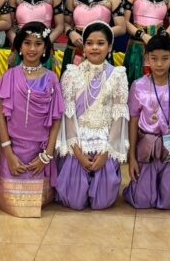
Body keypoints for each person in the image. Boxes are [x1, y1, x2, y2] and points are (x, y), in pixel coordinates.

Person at [55, 21, 129, 210]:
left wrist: (106, 152)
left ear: (110, 47)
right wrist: (78, 152)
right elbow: (68, 116)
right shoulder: (71, 74)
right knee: (74, 201)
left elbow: (119, 117)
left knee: (102, 202)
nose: (95, 47)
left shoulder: (118, 75)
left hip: (105, 139)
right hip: (78, 140)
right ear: (84, 47)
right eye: (89, 43)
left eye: (100, 43)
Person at [0, 22, 65, 217]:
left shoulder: (51, 78)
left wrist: (46, 156)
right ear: (19, 46)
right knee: (11, 202)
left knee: (38, 201)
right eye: (27, 43)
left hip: (39, 153)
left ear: (46, 48)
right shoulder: (9, 76)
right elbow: (1, 118)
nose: (32, 49)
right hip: (13, 150)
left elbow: (56, 120)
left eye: (38, 44)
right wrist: (8, 153)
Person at [124, 32, 170, 210]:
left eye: (165, 58)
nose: (159, 64)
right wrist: (132, 157)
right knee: (142, 201)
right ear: (147, 58)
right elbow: (133, 121)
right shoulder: (138, 85)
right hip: (147, 145)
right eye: (154, 58)